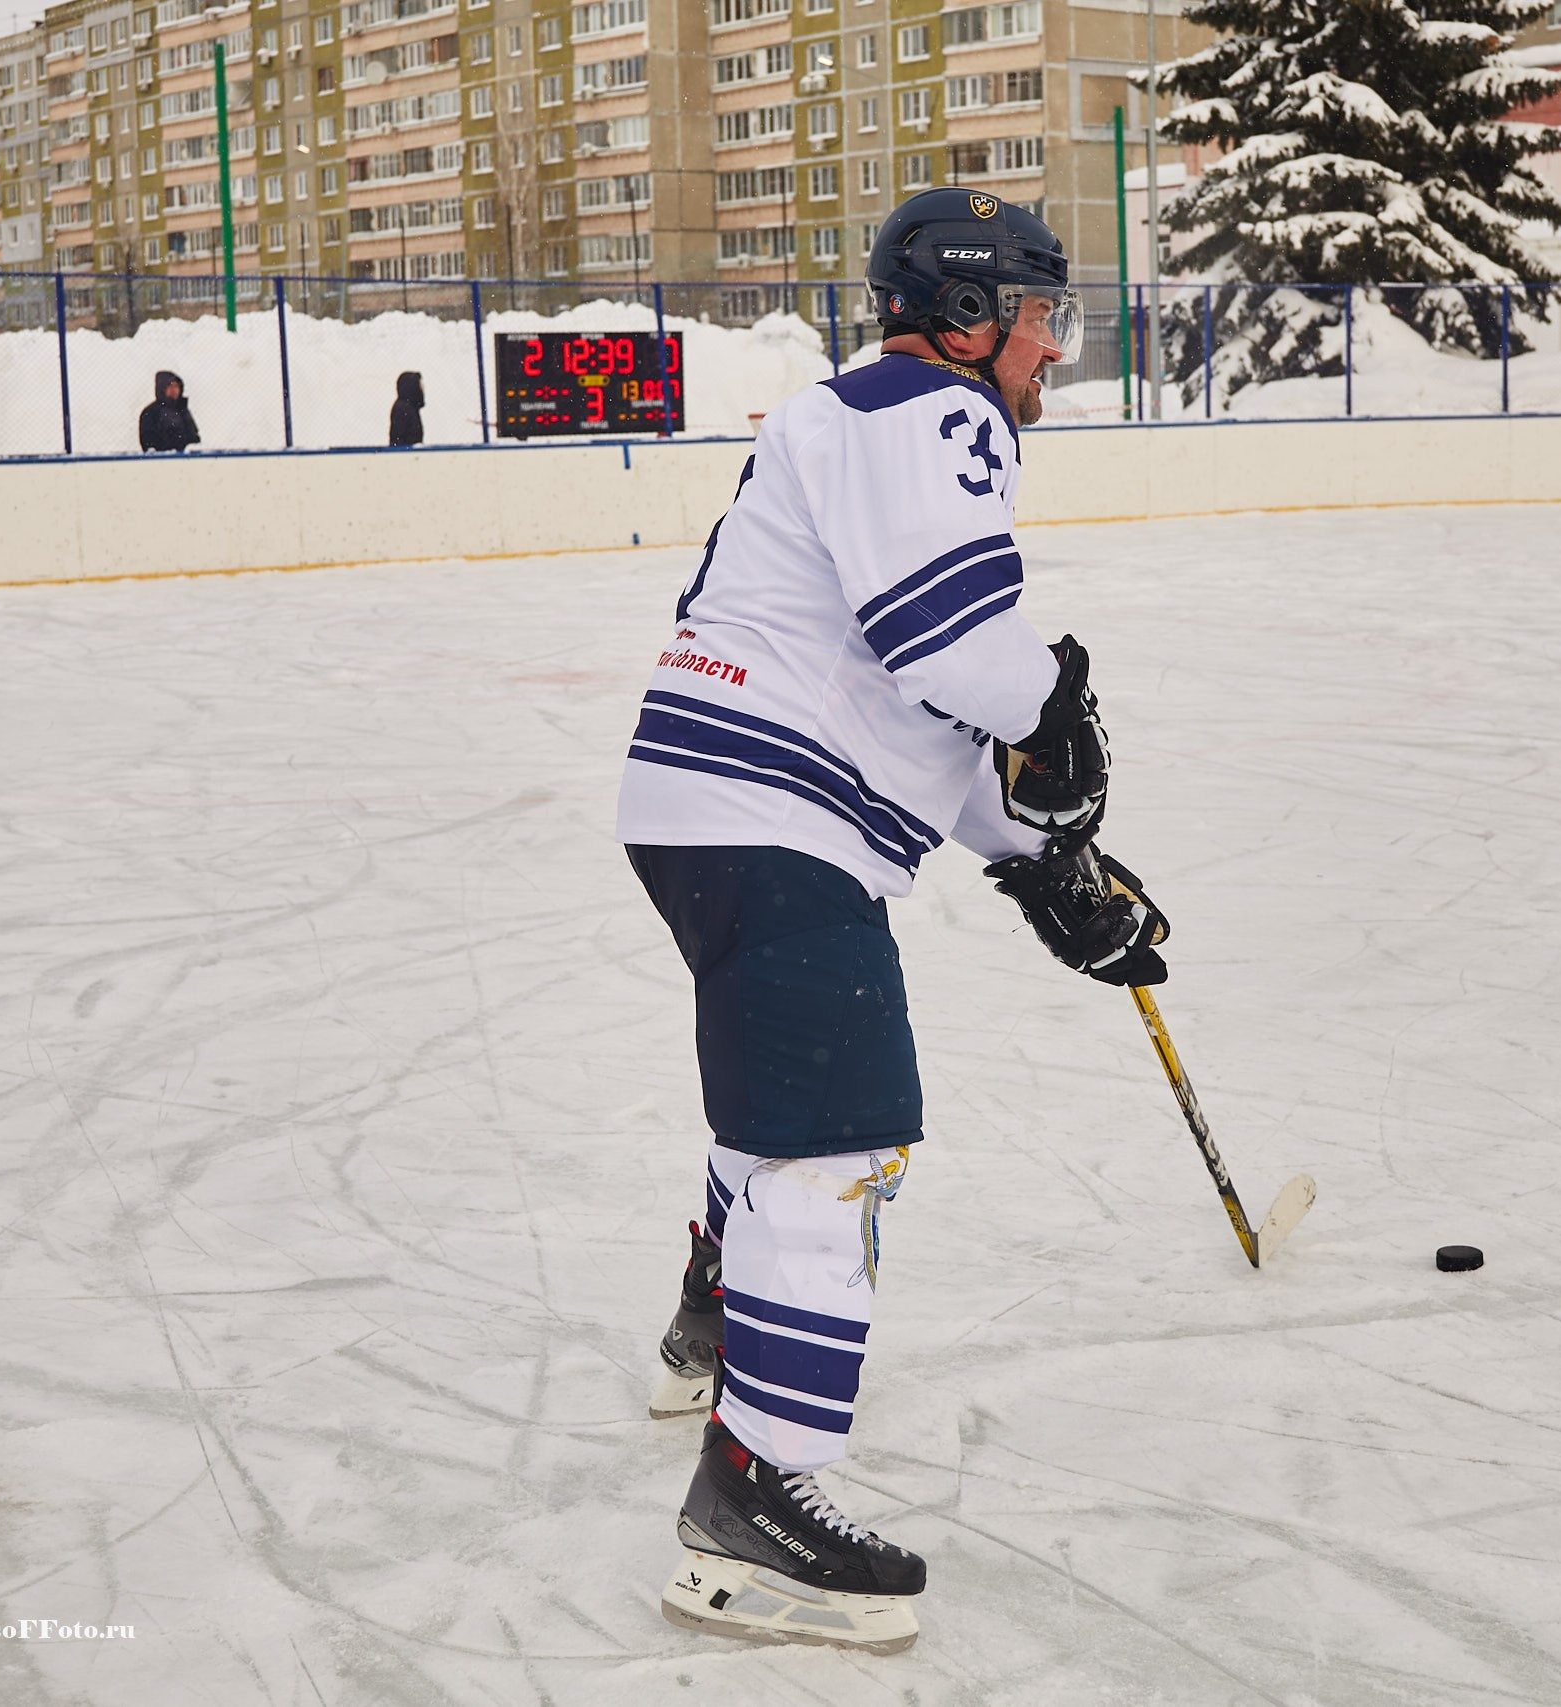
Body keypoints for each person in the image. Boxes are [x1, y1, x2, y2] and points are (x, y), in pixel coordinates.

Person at [619, 187, 1166, 1654]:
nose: (1056, 348)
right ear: (972, 314)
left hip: (713, 800)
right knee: (840, 1129)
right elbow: (958, 646)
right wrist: (1055, 700)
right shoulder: (934, 415)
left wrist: (1042, 856)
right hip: (766, 812)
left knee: (784, 1095)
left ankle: (713, 1323)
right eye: (1043, 317)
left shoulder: (852, 426)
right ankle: (755, 1495)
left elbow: (914, 697)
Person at [137, 370, 199, 452]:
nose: (174, 390)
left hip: (185, 459)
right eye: (170, 386)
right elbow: (148, 442)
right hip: (162, 460)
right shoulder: (151, 412)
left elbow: (193, 437)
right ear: (162, 388)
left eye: (176, 386)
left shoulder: (183, 410)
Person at [388, 371, 425, 445]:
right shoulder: (403, 409)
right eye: (420, 385)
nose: (423, 389)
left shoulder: (410, 408)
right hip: (405, 454)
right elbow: (398, 439)